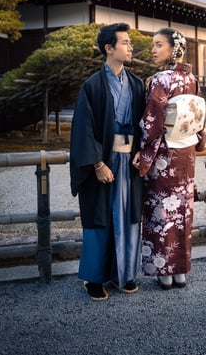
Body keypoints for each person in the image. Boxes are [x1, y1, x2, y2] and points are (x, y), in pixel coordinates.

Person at [70, 23, 145, 301]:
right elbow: (83, 129)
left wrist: (142, 150)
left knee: (127, 217)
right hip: (104, 162)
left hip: (129, 162)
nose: (130, 47)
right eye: (125, 42)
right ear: (109, 48)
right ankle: (94, 278)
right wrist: (97, 165)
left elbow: (144, 125)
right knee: (100, 219)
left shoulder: (137, 84)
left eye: (129, 42)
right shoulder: (92, 86)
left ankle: (122, 274)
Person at [132, 27, 206, 290]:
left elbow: (151, 121)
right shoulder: (193, 79)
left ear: (174, 48)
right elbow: (199, 119)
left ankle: (164, 271)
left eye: (159, 44)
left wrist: (143, 150)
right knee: (182, 211)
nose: (153, 49)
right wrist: (200, 141)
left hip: (164, 156)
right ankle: (181, 271)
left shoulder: (160, 80)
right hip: (185, 154)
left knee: (161, 212)